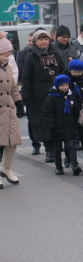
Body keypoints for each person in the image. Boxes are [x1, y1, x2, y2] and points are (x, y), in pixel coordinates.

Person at [20, 30, 66, 163]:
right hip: (38, 96)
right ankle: (49, 150)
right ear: (36, 41)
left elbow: (63, 70)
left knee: (57, 121)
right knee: (44, 123)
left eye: (46, 39)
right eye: (41, 39)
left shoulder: (56, 54)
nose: (44, 41)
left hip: (56, 93)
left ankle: (58, 147)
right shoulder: (31, 57)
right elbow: (26, 78)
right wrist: (26, 97)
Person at [43, 74, 82, 175]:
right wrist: (51, 124)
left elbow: (76, 109)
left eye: (66, 85)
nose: (65, 87)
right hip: (57, 127)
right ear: (57, 86)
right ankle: (59, 167)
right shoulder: (52, 98)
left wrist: (77, 121)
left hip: (69, 126)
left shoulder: (70, 96)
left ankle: (74, 165)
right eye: (62, 85)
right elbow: (47, 112)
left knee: (71, 146)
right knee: (57, 149)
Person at [0, 37, 25, 186]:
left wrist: (19, 103)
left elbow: (14, 87)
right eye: (7, 51)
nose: (10, 53)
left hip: (8, 109)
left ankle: (6, 168)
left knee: (12, 141)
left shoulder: (7, 66)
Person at [65, 58, 83, 170]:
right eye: (74, 72)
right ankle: (68, 157)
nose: (77, 74)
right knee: (70, 138)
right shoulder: (67, 83)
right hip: (70, 114)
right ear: (70, 71)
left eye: (79, 72)